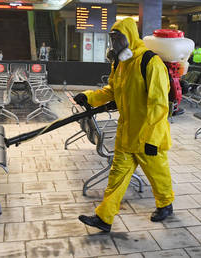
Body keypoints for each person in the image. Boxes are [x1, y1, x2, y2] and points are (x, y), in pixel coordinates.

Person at [74, 18, 174, 232]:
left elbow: (159, 105)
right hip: (127, 133)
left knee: (158, 174)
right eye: (112, 38)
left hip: (147, 134)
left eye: (118, 37)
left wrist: (152, 139)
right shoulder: (120, 64)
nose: (114, 43)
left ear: (129, 36)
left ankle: (165, 204)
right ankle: (104, 217)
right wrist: (89, 97)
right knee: (117, 175)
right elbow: (112, 91)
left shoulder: (150, 62)